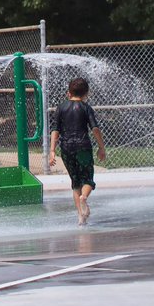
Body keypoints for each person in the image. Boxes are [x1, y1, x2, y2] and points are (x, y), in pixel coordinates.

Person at [48, 77, 106, 226]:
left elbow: (55, 130)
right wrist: (101, 147)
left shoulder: (61, 108)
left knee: (75, 183)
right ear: (86, 93)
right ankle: (84, 198)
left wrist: (52, 150)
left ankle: (81, 217)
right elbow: (95, 129)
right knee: (87, 179)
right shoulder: (86, 108)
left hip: (66, 148)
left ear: (69, 92)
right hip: (83, 147)